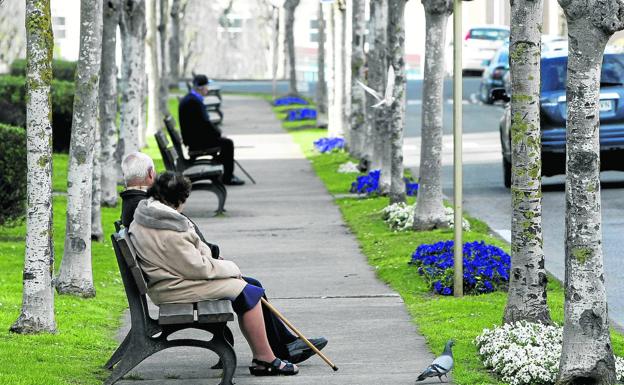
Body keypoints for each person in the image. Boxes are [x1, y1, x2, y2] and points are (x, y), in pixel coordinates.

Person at [119, 152, 327, 364]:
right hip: (175, 285)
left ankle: (284, 345)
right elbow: (196, 267)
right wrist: (230, 268)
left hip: (172, 279)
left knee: (251, 286)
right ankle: (266, 359)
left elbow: (186, 256)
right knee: (248, 291)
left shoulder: (145, 211)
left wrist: (213, 260)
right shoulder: (160, 221)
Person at [179, 74, 244, 185]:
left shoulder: (192, 99)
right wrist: (217, 133)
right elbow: (204, 125)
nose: (208, 89)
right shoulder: (193, 102)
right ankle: (228, 177)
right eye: (206, 86)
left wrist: (216, 133)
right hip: (196, 142)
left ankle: (223, 169)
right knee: (227, 143)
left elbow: (202, 125)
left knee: (224, 142)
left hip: (193, 139)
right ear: (200, 88)